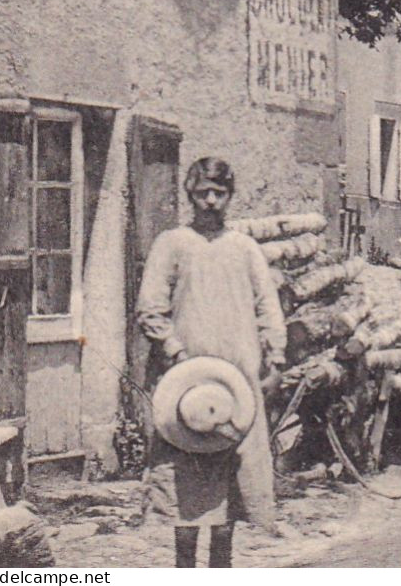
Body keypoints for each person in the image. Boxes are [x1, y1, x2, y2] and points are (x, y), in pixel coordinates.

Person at [138, 158, 286, 567]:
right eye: (203, 192)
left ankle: (223, 565)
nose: (210, 201)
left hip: (239, 385)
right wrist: (176, 353)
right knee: (184, 479)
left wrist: (275, 355)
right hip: (185, 386)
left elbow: (267, 308)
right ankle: (185, 567)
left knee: (235, 480)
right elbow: (150, 307)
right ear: (190, 194)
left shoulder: (245, 249)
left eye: (218, 193)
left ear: (229, 196)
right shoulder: (173, 244)